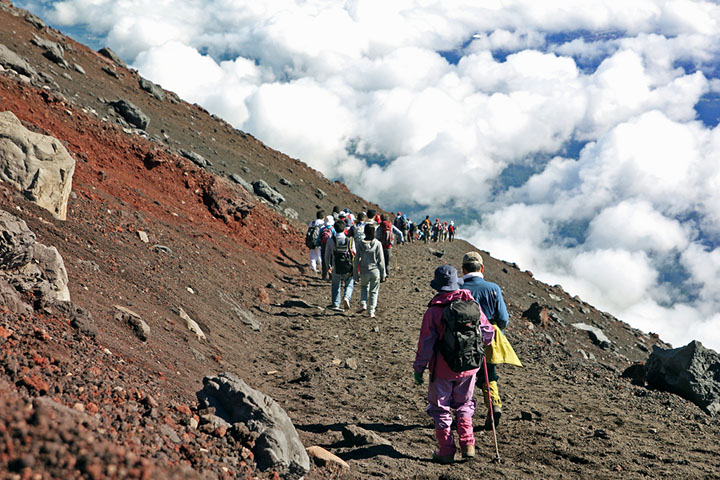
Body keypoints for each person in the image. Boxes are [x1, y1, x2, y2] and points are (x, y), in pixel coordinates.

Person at [413, 265, 495, 464]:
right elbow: (488, 334)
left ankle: (446, 450)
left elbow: (426, 344)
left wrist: (419, 369)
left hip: (442, 369)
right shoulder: (471, 304)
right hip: (470, 367)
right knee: (465, 404)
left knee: (441, 408)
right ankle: (468, 445)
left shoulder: (433, 311)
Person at [460, 251, 510, 430]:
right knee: (489, 374)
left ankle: (464, 414)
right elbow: (503, 318)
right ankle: (493, 404)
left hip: (463, 341)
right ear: (482, 268)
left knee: (466, 375)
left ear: (464, 269)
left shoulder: (458, 288)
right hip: (487, 339)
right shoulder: (493, 288)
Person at [353, 224, 386, 318]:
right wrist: (383, 274)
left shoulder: (360, 244)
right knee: (373, 291)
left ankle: (363, 303)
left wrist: (355, 274)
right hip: (375, 271)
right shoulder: (378, 244)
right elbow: (381, 261)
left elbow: (356, 259)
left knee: (364, 287)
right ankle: (371, 311)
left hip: (364, 270)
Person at [324, 220, 355, 311]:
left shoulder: (330, 240)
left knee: (335, 285)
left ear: (334, 228)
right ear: (344, 228)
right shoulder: (349, 240)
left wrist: (328, 266)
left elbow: (326, 255)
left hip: (336, 266)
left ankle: (336, 304)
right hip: (347, 266)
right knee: (349, 283)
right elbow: (354, 254)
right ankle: (346, 297)